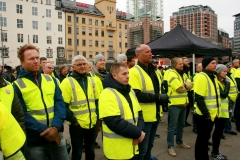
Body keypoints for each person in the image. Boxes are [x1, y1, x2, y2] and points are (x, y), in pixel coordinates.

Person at [13, 44, 69, 160]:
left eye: (37, 58)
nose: (36, 61)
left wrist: (55, 128)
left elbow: (60, 104)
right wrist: (47, 131)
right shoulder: (17, 85)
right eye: (31, 59)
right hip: (35, 140)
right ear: (22, 62)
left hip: (57, 134)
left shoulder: (50, 79)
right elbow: (22, 114)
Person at [129, 44, 169, 160]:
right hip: (144, 117)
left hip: (155, 114)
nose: (150, 54)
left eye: (150, 51)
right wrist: (159, 98)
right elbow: (136, 95)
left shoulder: (154, 71)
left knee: (150, 145)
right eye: (147, 52)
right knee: (141, 149)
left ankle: (148, 158)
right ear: (138, 55)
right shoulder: (134, 72)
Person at [99, 63, 145, 160]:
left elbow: (139, 113)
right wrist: (138, 133)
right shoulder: (107, 93)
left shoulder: (130, 90)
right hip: (117, 151)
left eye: (128, 73)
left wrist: (139, 132)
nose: (128, 76)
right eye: (124, 74)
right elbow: (114, 122)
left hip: (133, 146)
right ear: (114, 76)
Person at [60, 55, 99, 160]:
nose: (82, 66)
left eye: (84, 64)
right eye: (79, 65)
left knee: (91, 151)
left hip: (91, 122)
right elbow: (63, 105)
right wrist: (73, 121)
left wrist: (97, 116)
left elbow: (96, 101)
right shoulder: (67, 82)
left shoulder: (91, 80)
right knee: (77, 153)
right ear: (73, 67)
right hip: (77, 125)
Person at [194, 56, 220, 160]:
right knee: (202, 140)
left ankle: (204, 157)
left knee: (205, 140)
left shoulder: (212, 76)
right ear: (206, 65)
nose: (215, 65)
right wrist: (206, 115)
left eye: (215, 63)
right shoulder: (202, 76)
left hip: (211, 115)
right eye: (213, 63)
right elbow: (199, 98)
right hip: (204, 116)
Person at [167, 57, 192, 157]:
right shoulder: (172, 74)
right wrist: (186, 85)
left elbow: (191, 84)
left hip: (183, 103)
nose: (182, 65)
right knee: (172, 127)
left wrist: (186, 85)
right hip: (175, 104)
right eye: (180, 64)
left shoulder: (184, 74)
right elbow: (179, 88)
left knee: (181, 125)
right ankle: (170, 146)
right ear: (174, 65)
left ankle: (179, 142)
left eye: (182, 63)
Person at [208, 64, 230, 160]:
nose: (226, 73)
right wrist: (227, 85)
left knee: (218, 133)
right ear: (218, 72)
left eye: (226, 71)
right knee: (214, 133)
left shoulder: (223, 81)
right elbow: (223, 95)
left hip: (223, 112)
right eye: (224, 71)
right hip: (216, 112)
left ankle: (215, 151)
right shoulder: (215, 82)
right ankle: (214, 152)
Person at [91, 54, 108, 149]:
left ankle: (106, 144)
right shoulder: (92, 74)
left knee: (106, 127)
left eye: (103, 60)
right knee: (96, 127)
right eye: (100, 60)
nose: (102, 62)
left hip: (106, 104)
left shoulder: (107, 74)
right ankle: (91, 142)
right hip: (96, 105)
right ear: (95, 63)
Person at [224, 62, 238, 135]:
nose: (230, 68)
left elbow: (234, 86)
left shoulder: (230, 75)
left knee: (230, 114)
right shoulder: (225, 77)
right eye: (228, 67)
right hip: (229, 98)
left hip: (233, 98)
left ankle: (227, 128)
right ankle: (228, 129)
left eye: (230, 67)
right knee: (228, 114)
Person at [192, 63, 203, 134]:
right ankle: (195, 127)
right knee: (195, 111)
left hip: (202, 96)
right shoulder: (195, 75)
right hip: (196, 95)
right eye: (201, 67)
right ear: (197, 68)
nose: (202, 69)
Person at [182, 57, 192, 127]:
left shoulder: (187, 70)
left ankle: (184, 120)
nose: (188, 62)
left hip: (188, 91)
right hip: (183, 92)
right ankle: (182, 121)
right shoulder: (182, 71)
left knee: (188, 107)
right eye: (186, 61)